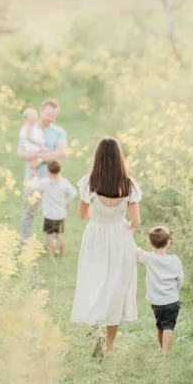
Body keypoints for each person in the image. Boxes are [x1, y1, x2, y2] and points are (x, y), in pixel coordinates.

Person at [70, 137, 141, 356]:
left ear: (97, 157)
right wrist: (122, 224)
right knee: (115, 288)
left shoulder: (89, 182)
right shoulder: (129, 185)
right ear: (120, 158)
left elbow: (82, 215)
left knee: (95, 284)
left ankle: (98, 334)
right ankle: (109, 345)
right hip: (120, 238)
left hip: (96, 237)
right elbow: (136, 222)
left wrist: (98, 210)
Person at [18, 99, 67, 244]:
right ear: (41, 111)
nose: (50, 118)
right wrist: (43, 156)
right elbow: (21, 153)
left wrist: (42, 157)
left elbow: (61, 151)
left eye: (53, 116)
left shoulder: (58, 132)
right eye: (47, 114)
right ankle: (25, 241)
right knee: (29, 210)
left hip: (52, 179)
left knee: (53, 211)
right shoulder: (29, 129)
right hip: (33, 178)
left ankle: (53, 242)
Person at [136, 225, 184, 356]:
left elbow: (136, 253)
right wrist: (176, 291)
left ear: (149, 243)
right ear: (169, 242)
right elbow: (180, 278)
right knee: (168, 325)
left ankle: (162, 349)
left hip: (156, 301)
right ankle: (164, 350)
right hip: (171, 300)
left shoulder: (149, 258)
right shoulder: (175, 260)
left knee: (160, 325)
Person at [31, 159, 77, 257]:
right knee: (59, 234)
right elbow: (73, 193)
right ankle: (61, 254)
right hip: (60, 214)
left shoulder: (44, 182)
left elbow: (34, 186)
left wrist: (35, 174)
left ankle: (51, 254)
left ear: (48, 171)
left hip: (49, 215)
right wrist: (66, 201)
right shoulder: (64, 182)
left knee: (49, 235)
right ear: (60, 170)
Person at [19, 107, 45, 172]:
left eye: (35, 120)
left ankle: (35, 169)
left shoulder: (33, 126)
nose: (34, 123)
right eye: (32, 121)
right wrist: (39, 144)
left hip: (33, 146)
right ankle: (34, 170)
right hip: (32, 146)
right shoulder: (28, 128)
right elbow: (29, 138)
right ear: (26, 120)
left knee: (38, 158)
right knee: (37, 158)